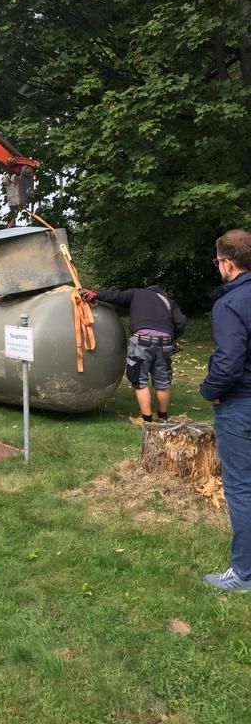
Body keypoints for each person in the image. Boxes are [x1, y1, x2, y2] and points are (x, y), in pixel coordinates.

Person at [199, 229, 251, 592]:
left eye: (218, 262)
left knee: (242, 487)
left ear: (227, 264)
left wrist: (209, 390)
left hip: (240, 404)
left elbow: (230, 362)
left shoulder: (230, 303)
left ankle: (245, 573)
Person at [81, 284, 187, 423]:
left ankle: (146, 419)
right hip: (165, 342)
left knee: (139, 379)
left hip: (143, 340)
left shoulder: (136, 293)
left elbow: (116, 296)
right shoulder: (167, 301)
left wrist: (96, 295)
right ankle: (162, 417)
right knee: (162, 380)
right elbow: (181, 321)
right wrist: (173, 338)